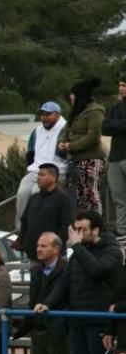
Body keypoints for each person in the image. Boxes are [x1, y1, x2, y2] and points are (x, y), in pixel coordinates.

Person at [37, 211, 122, 354]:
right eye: (76, 229)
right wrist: (47, 303)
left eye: (83, 229)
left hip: (100, 321)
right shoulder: (77, 255)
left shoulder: (111, 251)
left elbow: (97, 271)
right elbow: (65, 283)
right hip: (78, 321)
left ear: (96, 230)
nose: (77, 233)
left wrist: (77, 247)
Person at [16, 232, 82, 354]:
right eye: (38, 245)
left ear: (57, 249)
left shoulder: (67, 270)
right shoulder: (37, 271)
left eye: (43, 246)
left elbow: (69, 298)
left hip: (60, 331)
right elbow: (33, 300)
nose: (38, 249)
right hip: (39, 329)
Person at [15, 102, 67, 227]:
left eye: (48, 114)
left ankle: (36, 226)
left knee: (35, 192)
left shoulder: (65, 129)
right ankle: (21, 229)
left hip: (57, 171)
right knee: (22, 193)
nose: (44, 117)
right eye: (42, 114)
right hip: (36, 170)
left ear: (58, 115)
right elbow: (30, 153)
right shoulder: (37, 131)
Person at [58, 78, 105, 213]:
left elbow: (92, 137)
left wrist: (70, 145)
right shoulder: (75, 112)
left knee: (91, 196)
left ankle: (96, 227)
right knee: (79, 199)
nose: (70, 97)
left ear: (79, 95)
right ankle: (82, 229)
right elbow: (66, 131)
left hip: (91, 160)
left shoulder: (95, 111)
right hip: (75, 160)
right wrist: (61, 143)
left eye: (72, 94)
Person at [17, 163, 73, 261]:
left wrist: (54, 245)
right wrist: (25, 242)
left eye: (42, 175)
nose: (38, 178)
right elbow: (24, 221)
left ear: (53, 177)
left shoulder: (62, 199)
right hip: (33, 256)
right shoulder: (33, 198)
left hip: (54, 257)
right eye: (38, 175)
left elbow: (66, 225)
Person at [103, 74, 126, 240]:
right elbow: (104, 127)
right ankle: (122, 231)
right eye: (120, 85)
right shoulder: (116, 108)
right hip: (115, 158)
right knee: (119, 199)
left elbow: (112, 126)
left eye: (124, 85)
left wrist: (115, 125)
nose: (121, 89)